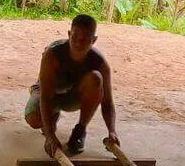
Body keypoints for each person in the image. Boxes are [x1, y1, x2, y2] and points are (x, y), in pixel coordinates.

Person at [24, 14, 119, 157]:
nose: (78, 44)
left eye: (85, 40)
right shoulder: (52, 55)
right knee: (33, 119)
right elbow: (45, 96)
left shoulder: (100, 63)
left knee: (96, 78)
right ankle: (50, 119)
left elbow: (107, 102)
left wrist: (112, 131)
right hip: (50, 94)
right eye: (74, 37)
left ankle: (80, 130)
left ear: (94, 40)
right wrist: (50, 136)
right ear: (69, 34)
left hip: (74, 96)